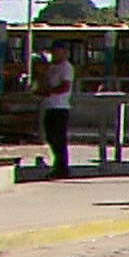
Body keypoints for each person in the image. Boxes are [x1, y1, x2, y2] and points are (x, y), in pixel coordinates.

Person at [38, 47, 75, 179]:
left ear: (64, 52)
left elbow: (65, 86)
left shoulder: (67, 68)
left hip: (60, 107)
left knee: (59, 138)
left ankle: (62, 168)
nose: (54, 54)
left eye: (57, 51)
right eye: (53, 52)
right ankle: (57, 165)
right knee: (50, 137)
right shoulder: (51, 67)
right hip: (49, 106)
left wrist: (50, 92)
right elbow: (44, 83)